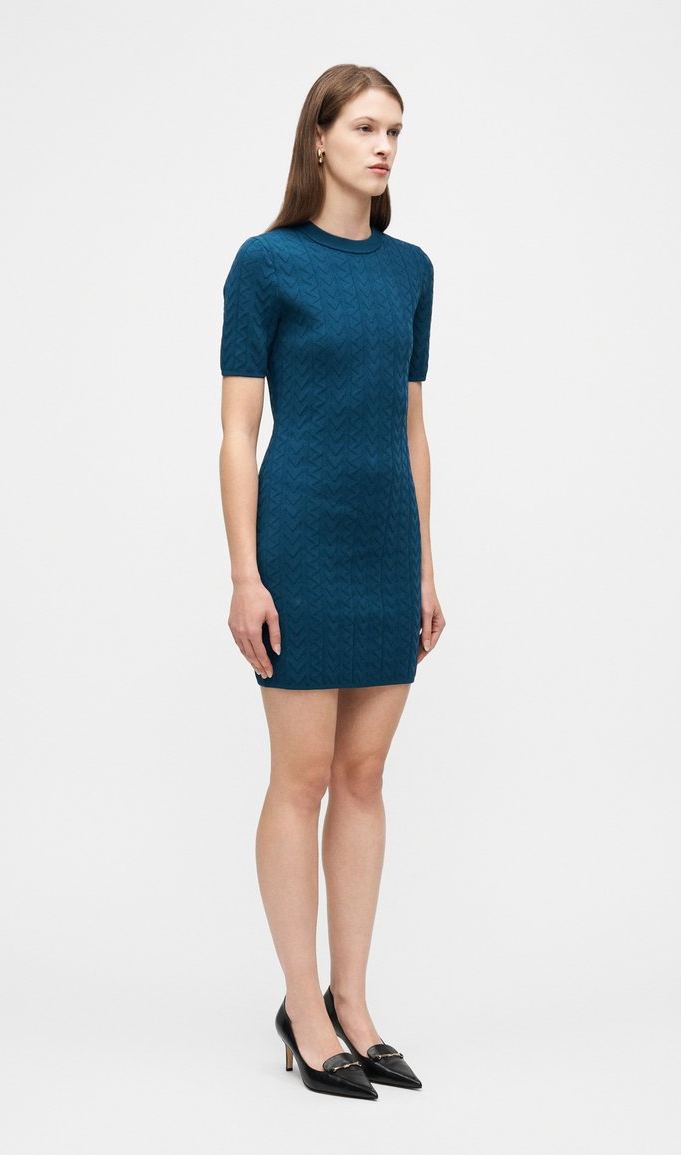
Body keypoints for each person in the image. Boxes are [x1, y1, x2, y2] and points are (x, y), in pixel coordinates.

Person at [218, 63, 445, 1099]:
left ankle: (353, 1001)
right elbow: (237, 430)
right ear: (318, 137)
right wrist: (245, 574)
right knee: (301, 777)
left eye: (394, 129)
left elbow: (412, 424)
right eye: (363, 127)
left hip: (386, 545)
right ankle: (301, 1008)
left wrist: (426, 566)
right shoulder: (266, 263)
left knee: (363, 776)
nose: (383, 145)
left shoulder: (411, 270)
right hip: (300, 540)